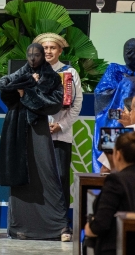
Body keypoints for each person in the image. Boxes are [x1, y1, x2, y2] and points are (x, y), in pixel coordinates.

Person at [0, 43, 69, 240]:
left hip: (38, 129)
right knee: (19, 174)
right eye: (29, 55)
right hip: (17, 128)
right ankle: (20, 227)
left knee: (46, 172)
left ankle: (59, 227)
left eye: (36, 55)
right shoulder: (20, 73)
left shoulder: (52, 77)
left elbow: (53, 104)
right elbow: (3, 88)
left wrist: (26, 92)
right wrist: (26, 85)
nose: (33, 58)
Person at [32, 32, 83, 239]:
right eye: (45, 48)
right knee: (39, 180)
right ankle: (41, 224)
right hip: (38, 135)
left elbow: (76, 104)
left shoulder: (69, 72)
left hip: (61, 135)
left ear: (60, 51)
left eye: (53, 48)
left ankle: (63, 225)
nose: (49, 51)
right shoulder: (33, 72)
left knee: (60, 178)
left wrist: (60, 125)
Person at [84, 131, 135, 255]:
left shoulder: (115, 181)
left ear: (118, 154)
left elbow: (100, 224)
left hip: (117, 248)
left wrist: (88, 229)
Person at [93, 38, 135, 172]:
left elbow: (104, 173)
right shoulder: (114, 69)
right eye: (127, 51)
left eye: (134, 52)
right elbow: (101, 94)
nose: (129, 55)